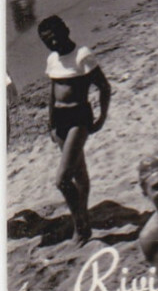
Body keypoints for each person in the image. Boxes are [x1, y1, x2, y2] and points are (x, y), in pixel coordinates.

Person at [39, 16, 112, 243]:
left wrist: (102, 116)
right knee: (79, 172)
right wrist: (51, 124)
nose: (53, 43)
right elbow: (52, 94)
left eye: (55, 37)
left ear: (67, 30)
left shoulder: (82, 55)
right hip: (60, 120)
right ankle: (84, 219)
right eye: (47, 41)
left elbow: (104, 87)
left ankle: (80, 225)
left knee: (62, 179)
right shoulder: (53, 59)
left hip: (79, 118)